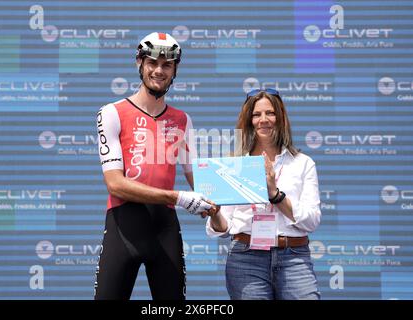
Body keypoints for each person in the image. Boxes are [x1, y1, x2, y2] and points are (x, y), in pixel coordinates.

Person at [94, 32, 214, 300]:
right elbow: (115, 184)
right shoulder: (111, 112)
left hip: (164, 228)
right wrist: (176, 197)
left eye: (167, 65)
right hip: (123, 225)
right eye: (152, 62)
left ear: (175, 71)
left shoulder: (182, 120)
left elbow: (200, 179)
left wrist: (241, 197)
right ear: (139, 62)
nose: (159, 70)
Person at [205, 88, 321, 300]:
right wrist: (214, 213)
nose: (263, 120)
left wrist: (275, 194)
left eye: (270, 113)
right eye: (256, 114)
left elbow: (311, 222)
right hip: (246, 260)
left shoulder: (303, 163)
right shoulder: (233, 166)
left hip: (294, 258)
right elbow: (222, 228)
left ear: (281, 117)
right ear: (249, 120)